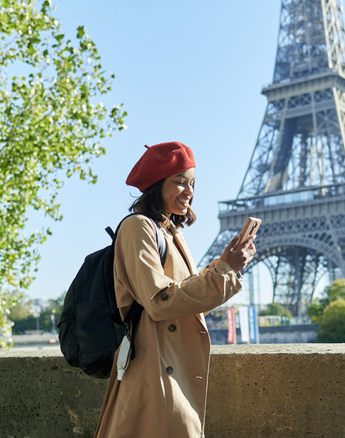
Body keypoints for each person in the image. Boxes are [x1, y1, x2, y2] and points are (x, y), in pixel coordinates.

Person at [94, 141, 255, 437]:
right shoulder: (138, 227)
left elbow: (188, 304)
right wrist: (222, 271)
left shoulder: (171, 233)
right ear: (157, 185)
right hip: (156, 366)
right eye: (180, 182)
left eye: (192, 183)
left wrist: (226, 267)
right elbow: (160, 302)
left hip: (172, 367)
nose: (189, 192)